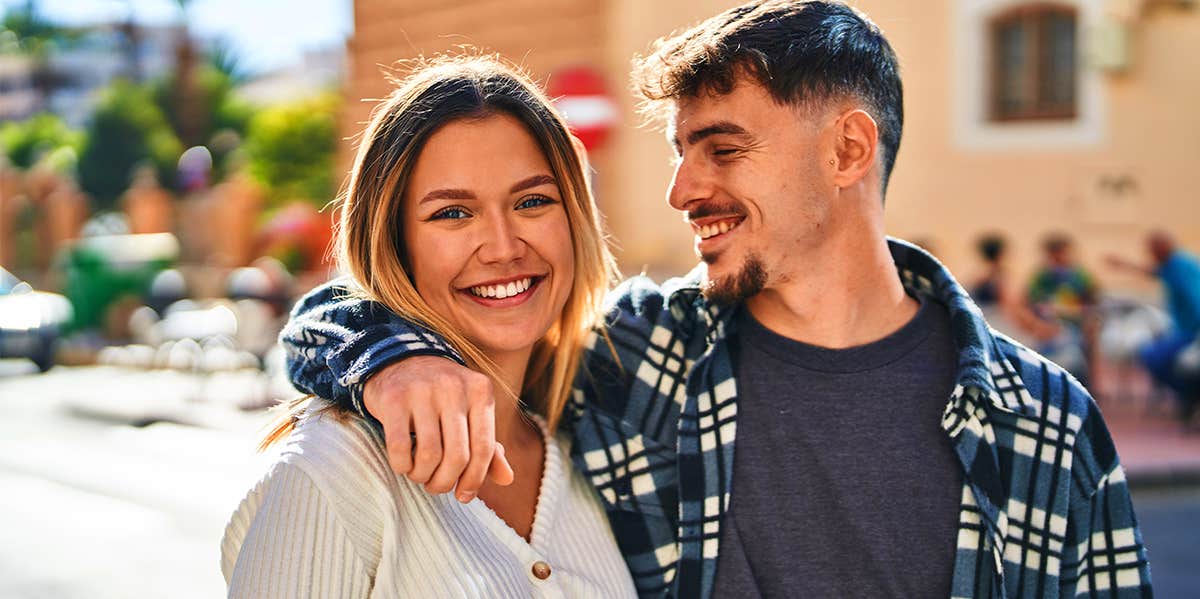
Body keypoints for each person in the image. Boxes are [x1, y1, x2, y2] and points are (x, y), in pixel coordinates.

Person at [281, 2, 1153, 597]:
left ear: (848, 150)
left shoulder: (1045, 422)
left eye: (722, 149)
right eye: (678, 151)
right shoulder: (630, 357)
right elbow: (352, 307)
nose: (682, 189)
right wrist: (390, 360)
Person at [221, 55, 638, 598]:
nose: (505, 247)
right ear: (396, 244)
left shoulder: (594, 448)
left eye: (532, 201)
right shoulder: (333, 471)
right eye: (452, 213)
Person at [1108, 230, 1200, 421]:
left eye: (1152, 251)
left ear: (1162, 248)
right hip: (1183, 329)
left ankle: (1189, 395)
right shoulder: (1172, 264)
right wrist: (1125, 265)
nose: (1151, 255)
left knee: (1153, 356)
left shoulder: (1181, 267)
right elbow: (1154, 272)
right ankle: (1187, 396)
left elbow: (1195, 298)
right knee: (1154, 355)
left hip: (1191, 331)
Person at [1026, 232, 1101, 384]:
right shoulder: (1042, 276)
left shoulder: (1080, 275)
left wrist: (1089, 321)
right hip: (1049, 328)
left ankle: (1084, 388)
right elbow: (1031, 302)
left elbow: (1093, 303)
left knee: (1078, 361)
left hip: (1076, 325)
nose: (1058, 258)